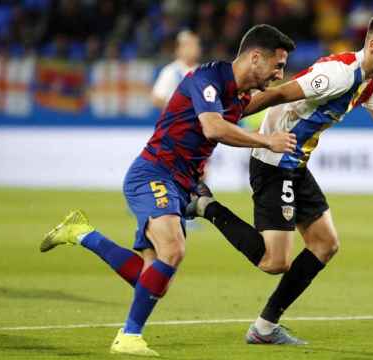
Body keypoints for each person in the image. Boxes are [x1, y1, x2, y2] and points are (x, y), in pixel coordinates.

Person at [186, 10, 373, 345]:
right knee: (274, 261)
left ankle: (264, 328)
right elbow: (276, 93)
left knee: (325, 244)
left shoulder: (370, 83)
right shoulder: (337, 74)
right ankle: (204, 205)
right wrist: (218, 119)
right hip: (274, 161)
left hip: (296, 165)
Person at [39, 24, 296, 357]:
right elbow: (213, 127)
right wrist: (267, 141)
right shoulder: (208, 78)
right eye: (277, 65)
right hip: (153, 173)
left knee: (154, 278)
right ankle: (128, 336)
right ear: (255, 57)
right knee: (173, 250)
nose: (279, 73)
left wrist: (318, 87)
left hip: (181, 183)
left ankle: (82, 233)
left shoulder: (240, 95)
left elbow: (274, 97)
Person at [152, 30, 201, 108]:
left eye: (196, 45)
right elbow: (157, 99)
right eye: (190, 45)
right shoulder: (170, 71)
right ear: (179, 49)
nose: (195, 49)